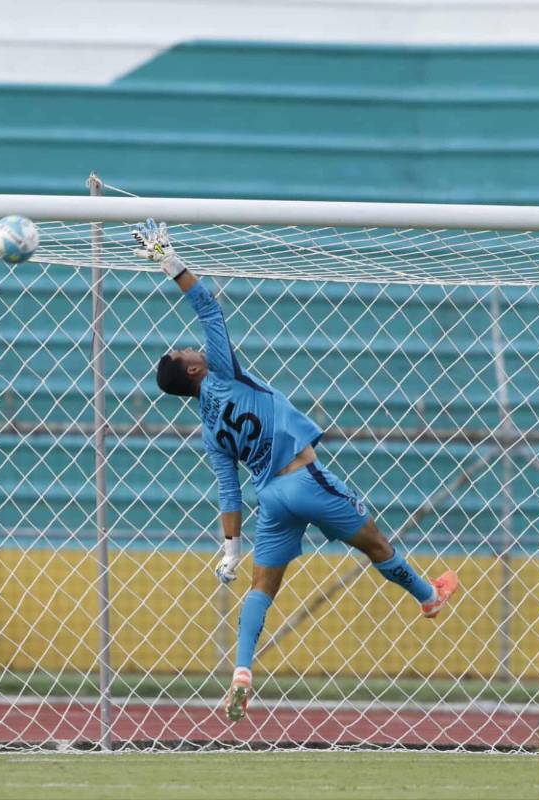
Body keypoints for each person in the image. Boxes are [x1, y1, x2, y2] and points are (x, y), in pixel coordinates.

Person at [135, 220, 458, 722]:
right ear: (195, 370)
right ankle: (428, 597)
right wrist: (166, 257)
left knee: (261, 586)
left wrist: (228, 551)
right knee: (377, 546)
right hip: (305, 480)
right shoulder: (224, 371)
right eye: (186, 352)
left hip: (271, 501)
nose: (192, 348)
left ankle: (241, 669)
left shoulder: (207, 429)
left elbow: (228, 491)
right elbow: (208, 307)